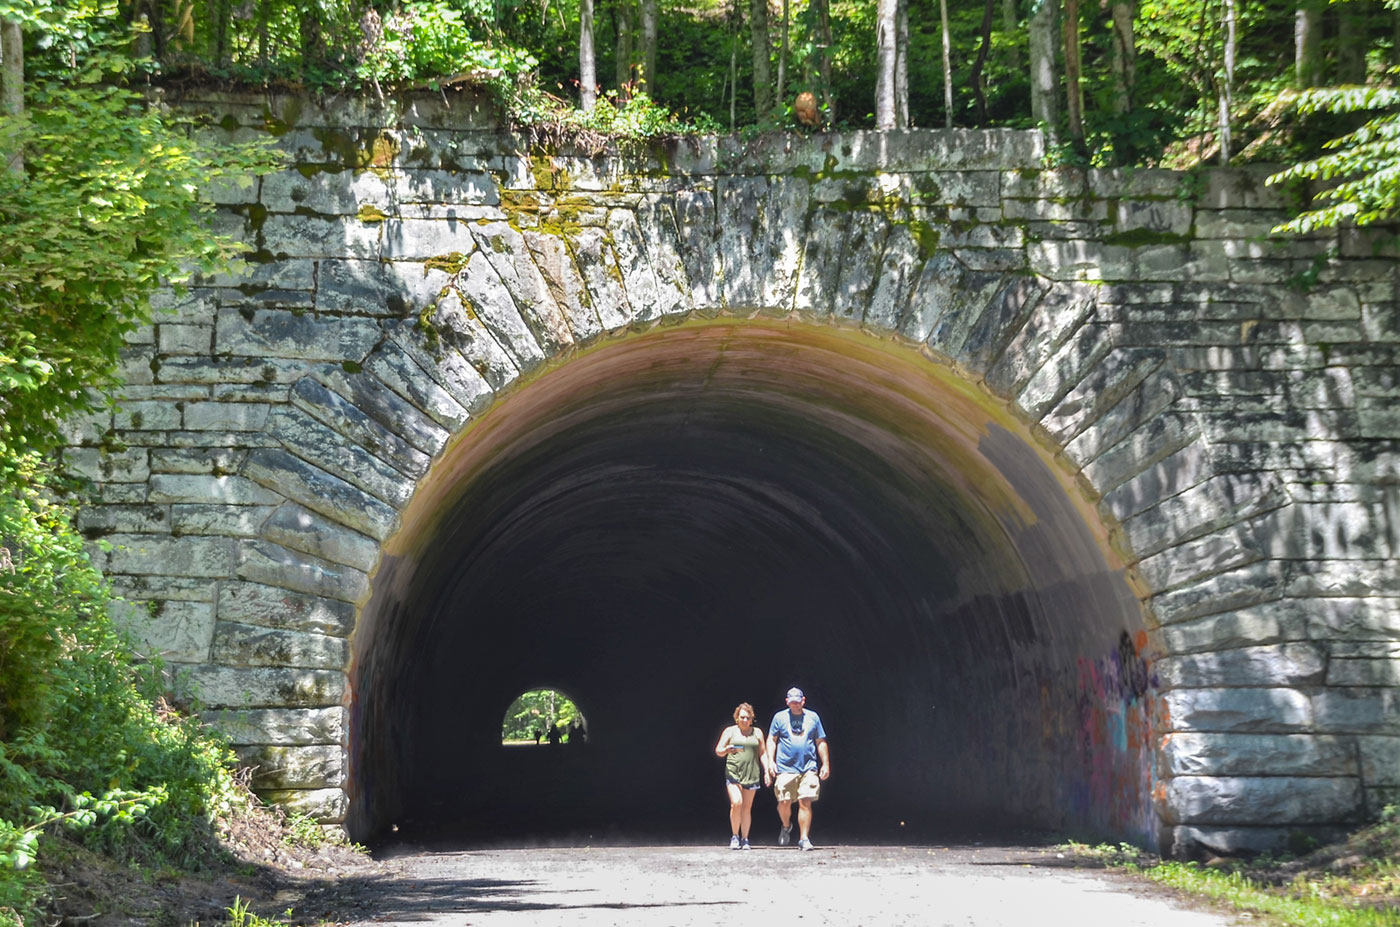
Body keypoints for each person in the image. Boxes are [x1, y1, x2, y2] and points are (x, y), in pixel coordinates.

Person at [767, 686, 829, 851]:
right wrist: (770, 761)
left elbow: (820, 741)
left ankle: (804, 838)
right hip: (786, 767)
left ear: (803, 701)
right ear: (787, 702)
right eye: (792, 702)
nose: (795, 705)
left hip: (808, 766)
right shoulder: (779, 717)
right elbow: (772, 740)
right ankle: (786, 825)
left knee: (805, 801)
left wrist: (826, 764)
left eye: (798, 702)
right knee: (784, 802)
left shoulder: (813, 717)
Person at [714, 702, 774, 850]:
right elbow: (718, 751)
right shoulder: (730, 731)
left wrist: (767, 770)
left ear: (752, 718)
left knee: (747, 808)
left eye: (748, 718)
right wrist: (727, 749)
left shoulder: (757, 732)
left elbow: (763, 753)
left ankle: (745, 838)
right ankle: (735, 836)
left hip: (751, 773)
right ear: (736, 718)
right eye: (742, 717)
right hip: (733, 772)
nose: (745, 720)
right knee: (736, 803)